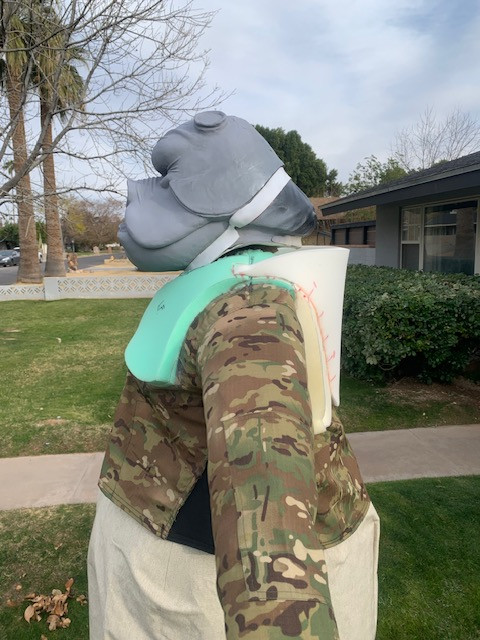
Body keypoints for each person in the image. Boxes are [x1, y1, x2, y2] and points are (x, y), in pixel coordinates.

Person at [88, 111, 379, 640]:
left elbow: (269, 522)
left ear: (235, 206)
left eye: (170, 185)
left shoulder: (251, 312)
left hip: (183, 580)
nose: (141, 194)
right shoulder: (227, 291)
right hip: (165, 532)